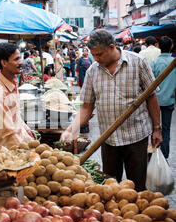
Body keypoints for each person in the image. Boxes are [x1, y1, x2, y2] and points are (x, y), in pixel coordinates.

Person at [61, 29, 162, 191]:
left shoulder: (138, 62)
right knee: (109, 187)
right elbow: (87, 107)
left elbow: (151, 97)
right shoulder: (92, 71)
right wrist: (71, 129)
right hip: (108, 139)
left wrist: (157, 128)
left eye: (99, 54)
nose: (96, 58)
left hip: (136, 137)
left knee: (137, 187)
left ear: (111, 47)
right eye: (94, 55)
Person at [0, 43, 37, 151]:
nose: (21, 62)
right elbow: (8, 133)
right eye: (16, 59)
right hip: (5, 154)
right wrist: (25, 152)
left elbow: (14, 115)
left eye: (20, 58)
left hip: (18, 143)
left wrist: (26, 129)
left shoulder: (13, 82)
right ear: (4, 63)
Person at [150, 36, 176, 159]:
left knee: (154, 128)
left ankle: (153, 153)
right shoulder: (174, 63)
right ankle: (164, 156)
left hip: (154, 102)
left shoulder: (154, 63)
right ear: (171, 46)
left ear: (158, 46)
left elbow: (150, 84)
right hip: (169, 100)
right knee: (166, 129)